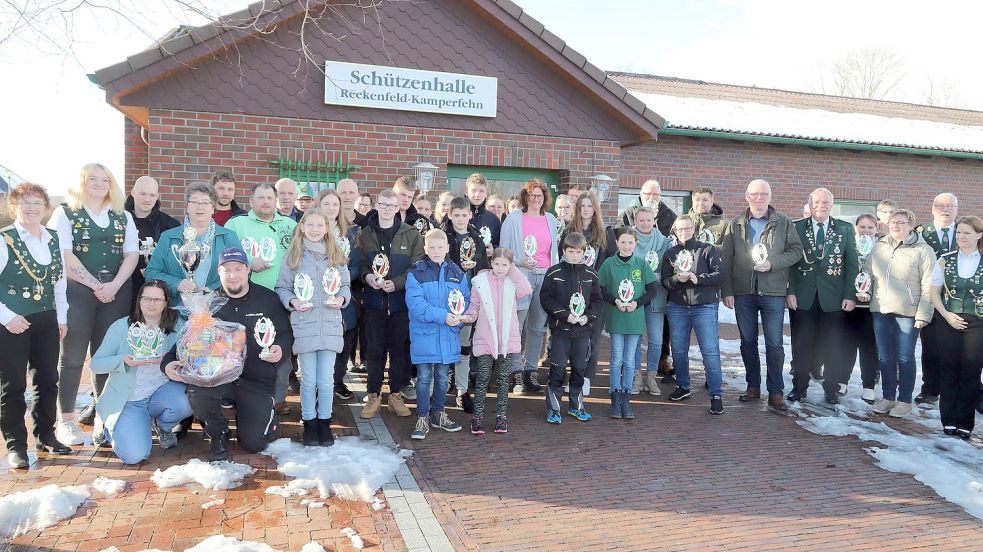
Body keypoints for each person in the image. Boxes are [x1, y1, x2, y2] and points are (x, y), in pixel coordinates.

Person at [162, 247, 291, 461]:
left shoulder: (268, 299)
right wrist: (167, 363)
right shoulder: (208, 305)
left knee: (254, 444)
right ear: (219, 273)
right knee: (197, 392)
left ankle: (254, 417)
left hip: (256, 380)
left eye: (238, 269)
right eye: (227, 270)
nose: (233, 275)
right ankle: (218, 432)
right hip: (219, 378)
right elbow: (186, 342)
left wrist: (281, 349)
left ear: (248, 270)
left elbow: (285, 333)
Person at [48, 163, 139, 445]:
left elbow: (132, 254)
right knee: (73, 356)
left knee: (107, 356)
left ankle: (104, 417)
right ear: (82, 183)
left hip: (116, 291)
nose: (99, 184)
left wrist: (113, 285)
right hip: (78, 291)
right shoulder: (65, 212)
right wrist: (94, 285)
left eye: (104, 179)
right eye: (92, 179)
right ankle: (66, 421)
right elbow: (63, 253)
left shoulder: (123, 215)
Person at [0, 183, 70, 469]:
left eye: (37, 202)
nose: (31, 208)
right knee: (13, 385)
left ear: (45, 207)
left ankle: (46, 435)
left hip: (46, 320)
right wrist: (6, 317)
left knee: (48, 380)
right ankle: (16, 445)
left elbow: (60, 283)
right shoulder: (4, 240)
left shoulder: (53, 239)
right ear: (14, 206)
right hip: (12, 322)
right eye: (25, 202)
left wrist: (61, 318)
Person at [720, 179, 802, 415]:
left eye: (763, 194)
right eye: (754, 194)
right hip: (743, 293)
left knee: (775, 344)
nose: (759, 198)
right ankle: (753, 386)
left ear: (770, 196)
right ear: (747, 196)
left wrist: (773, 263)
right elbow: (726, 259)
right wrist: (727, 290)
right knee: (747, 343)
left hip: (773, 292)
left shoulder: (783, 222)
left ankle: (776, 393)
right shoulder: (735, 224)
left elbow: (796, 251)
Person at [90, 281, 191, 464]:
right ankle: (109, 422)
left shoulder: (177, 327)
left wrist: (168, 361)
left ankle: (162, 426)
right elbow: (96, 364)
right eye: (146, 298)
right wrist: (122, 360)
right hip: (129, 400)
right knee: (135, 456)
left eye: (157, 299)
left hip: (160, 392)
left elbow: (189, 358)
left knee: (187, 401)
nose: (151, 303)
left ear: (166, 302)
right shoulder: (122, 327)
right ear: (139, 300)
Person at [276, 208, 351, 447]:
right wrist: (292, 302)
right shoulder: (294, 256)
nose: (316, 230)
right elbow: (282, 287)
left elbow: (345, 285)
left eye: (321, 225)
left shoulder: (336, 255)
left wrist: (342, 299)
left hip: (329, 323)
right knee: (308, 380)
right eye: (311, 225)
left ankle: (324, 422)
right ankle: (308, 422)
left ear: (327, 228)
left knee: (326, 380)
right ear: (302, 227)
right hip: (304, 324)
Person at [225, 183, 297, 411]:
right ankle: (237, 394)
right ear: (251, 201)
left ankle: (278, 398)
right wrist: (248, 261)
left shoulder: (290, 224)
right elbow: (226, 255)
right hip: (249, 298)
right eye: (261, 198)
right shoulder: (236, 224)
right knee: (244, 348)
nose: (265, 202)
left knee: (281, 347)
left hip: (283, 298)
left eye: (269, 198)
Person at [786, 188, 859, 405]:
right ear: (810, 204)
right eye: (817, 202)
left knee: (833, 345)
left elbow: (851, 264)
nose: (821, 205)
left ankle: (831, 388)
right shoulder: (796, 227)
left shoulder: (844, 229)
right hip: (802, 296)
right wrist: (789, 291)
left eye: (826, 202)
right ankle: (799, 387)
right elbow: (790, 262)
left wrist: (850, 295)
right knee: (801, 343)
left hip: (834, 297)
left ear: (831, 204)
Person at [356, 189, 424, 418]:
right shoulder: (365, 234)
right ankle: (373, 395)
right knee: (374, 350)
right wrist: (367, 277)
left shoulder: (411, 234)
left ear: (398, 208)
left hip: (400, 303)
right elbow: (361, 264)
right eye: (383, 204)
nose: (387, 209)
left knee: (399, 350)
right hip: (374, 302)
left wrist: (396, 283)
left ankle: (395, 395)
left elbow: (415, 267)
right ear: (377, 205)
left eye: (391, 205)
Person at [868, 209, 935, 418]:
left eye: (902, 222)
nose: (896, 226)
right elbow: (867, 272)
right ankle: (888, 397)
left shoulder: (923, 250)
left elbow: (929, 285)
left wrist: (924, 313)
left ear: (911, 225)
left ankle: (904, 400)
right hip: (881, 309)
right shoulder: (879, 246)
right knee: (886, 357)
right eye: (893, 222)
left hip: (907, 312)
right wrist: (864, 290)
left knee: (905, 358)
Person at [462, 248, 531, 435]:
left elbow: (527, 289)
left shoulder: (512, 282)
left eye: (505, 265)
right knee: (483, 378)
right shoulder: (479, 282)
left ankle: (501, 417)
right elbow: (474, 306)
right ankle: (477, 418)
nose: (500, 268)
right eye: (497, 264)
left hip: (506, 339)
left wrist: (514, 269)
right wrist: (469, 316)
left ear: (510, 265)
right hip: (486, 337)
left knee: (503, 380)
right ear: (491, 263)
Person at [405, 229, 467, 439]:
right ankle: (422, 416)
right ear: (425, 249)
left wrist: (457, 321)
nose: (436, 251)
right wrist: (443, 316)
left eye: (440, 247)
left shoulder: (457, 273)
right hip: (425, 336)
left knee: (442, 378)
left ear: (447, 248)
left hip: (447, 336)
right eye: (432, 247)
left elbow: (464, 300)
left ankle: (439, 414)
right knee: (423, 378)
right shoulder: (417, 272)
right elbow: (416, 305)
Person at [500, 179, 559, 395]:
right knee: (517, 326)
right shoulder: (514, 219)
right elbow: (503, 251)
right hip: (521, 276)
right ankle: (515, 371)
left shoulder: (550, 219)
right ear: (525, 197)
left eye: (540, 195)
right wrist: (520, 261)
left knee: (537, 327)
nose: (536, 199)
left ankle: (531, 370)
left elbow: (553, 253)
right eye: (532, 195)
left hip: (544, 278)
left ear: (545, 198)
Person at [661, 217, 725, 414]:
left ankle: (716, 394)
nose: (684, 232)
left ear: (694, 229)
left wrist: (699, 279)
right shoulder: (671, 253)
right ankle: (683, 386)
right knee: (679, 350)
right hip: (678, 306)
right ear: (675, 231)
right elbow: (664, 281)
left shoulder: (707, 249)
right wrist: (675, 279)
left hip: (703, 305)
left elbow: (720, 275)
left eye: (687, 228)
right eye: (680, 229)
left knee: (710, 351)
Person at [540, 232, 603, 424]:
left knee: (579, 370)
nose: (574, 254)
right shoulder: (553, 272)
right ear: (564, 251)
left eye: (578, 251)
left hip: (583, 333)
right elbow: (546, 298)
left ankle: (576, 407)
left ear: (584, 252)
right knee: (557, 370)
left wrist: (588, 317)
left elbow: (597, 301)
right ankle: (554, 409)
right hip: (561, 332)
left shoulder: (591, 274)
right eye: (571, 251)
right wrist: (564, 315)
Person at [929, 216, 983, 440]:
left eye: (967, 233)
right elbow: (934, 293)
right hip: (948, 320)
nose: (961, 237)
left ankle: (965, 423)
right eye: (959, 232)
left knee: (970, 372)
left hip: (978, 323)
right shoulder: (945, 259)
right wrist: (947, 315)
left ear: (979, 235)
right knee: (949, 370)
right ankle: (948, 421)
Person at [145, 182, 240, 306]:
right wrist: (176, 284)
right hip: (176, 311)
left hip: (216, 309)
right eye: (194, 202)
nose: (199, 207)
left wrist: (215, 291)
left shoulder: (228, 237)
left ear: (213, 208)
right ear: (187, 207)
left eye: (205, 202)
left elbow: (241, 273)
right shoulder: (168, 237)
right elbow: (152, 273)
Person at [598, 227, 658, 419]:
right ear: (617, 243)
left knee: (630, 358)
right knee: (616, 357)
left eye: (630, 242)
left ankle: (626, 397)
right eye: (623, 242)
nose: (626, 246)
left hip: (634, 317)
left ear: (635, 244)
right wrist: (614, 300)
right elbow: (600, 288)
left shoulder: (641, 264)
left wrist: (637, 303)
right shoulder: (609, 264)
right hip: (616, 317)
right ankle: (615, 395)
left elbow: (652, 289)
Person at [441, 196, 491, 413]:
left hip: (469, 302)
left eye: (464, 215)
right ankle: (441, 387)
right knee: (443, 344)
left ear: (470, 215)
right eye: (456, 215)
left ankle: (462, 390)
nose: (460, 219)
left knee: (464, 347)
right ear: (449, 214)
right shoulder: (442, 235)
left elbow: (484, 269)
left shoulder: (476, 238)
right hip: (445, 301)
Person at [561, 191, 610, 391]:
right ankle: (573, 377)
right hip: (572, 292)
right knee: (572, 337)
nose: (586, 210)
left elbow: (609, 262)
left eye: (590, 206)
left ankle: (587, 379)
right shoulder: (569, 231)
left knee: (593, 338)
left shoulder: (605, 232)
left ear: (595, 209)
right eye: (583, 206)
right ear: (578, 209)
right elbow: (561, 259)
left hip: (595, 294)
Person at [914, 193, 959, 406]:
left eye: (950, 206)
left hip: (961, 301)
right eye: (940, 206)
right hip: (929, 299)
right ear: (932, 209)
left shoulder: (966, 231)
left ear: (957, 210)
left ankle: (973, 392)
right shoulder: (921, 233)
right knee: (930, 346)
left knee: (966, 349)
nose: (945, 210)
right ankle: (930, 389)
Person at [317, 189, 361, 401]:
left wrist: (339, 280)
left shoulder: (352, 232)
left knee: (345, 339)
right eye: (327, 204)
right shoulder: (311, 229)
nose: (332, 208)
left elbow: (357, 264)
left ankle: (337, 381)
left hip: (344, 294)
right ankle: (319, 386)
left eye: (335, 204)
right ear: (319, 205)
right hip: (316, 296)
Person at [632, 206, 672, 396]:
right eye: (641, 220)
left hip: (656, 296)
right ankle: (636, 376)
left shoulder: (664, 242)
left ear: (654, 220)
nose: (645, 223)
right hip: (635, 297)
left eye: (648, 220)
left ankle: (651, 376)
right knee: (636, 339)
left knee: (656, 340)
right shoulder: (629, 240)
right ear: (635, 221)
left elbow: (668, 268)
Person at [843, 214, 880, 404]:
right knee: (847, 343)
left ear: (877, 229)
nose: (866, 231)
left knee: (869, 346)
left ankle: (868, 386)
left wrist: (870, 292)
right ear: (855, 227)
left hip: (871, 306)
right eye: (862, 227)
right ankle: (842, 380)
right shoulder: (849, 245)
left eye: (870, 227)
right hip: (850, 303)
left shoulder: (882, 248)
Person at [125, 176, 180, 298]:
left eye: (152, 195)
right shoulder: (120, 221)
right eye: (142, 194)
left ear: (157, 196)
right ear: (133, 193)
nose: (147, 199)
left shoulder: (170, 225)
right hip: (125, 289)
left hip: (158, 291)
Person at [465, 173, 502, 247]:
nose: (477, 195)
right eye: (474, 190)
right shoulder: (455, 215)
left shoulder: (493, 220)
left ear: (486, 194)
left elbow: (498, 245)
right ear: (466, 192)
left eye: (481, 191)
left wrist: (493, 251)